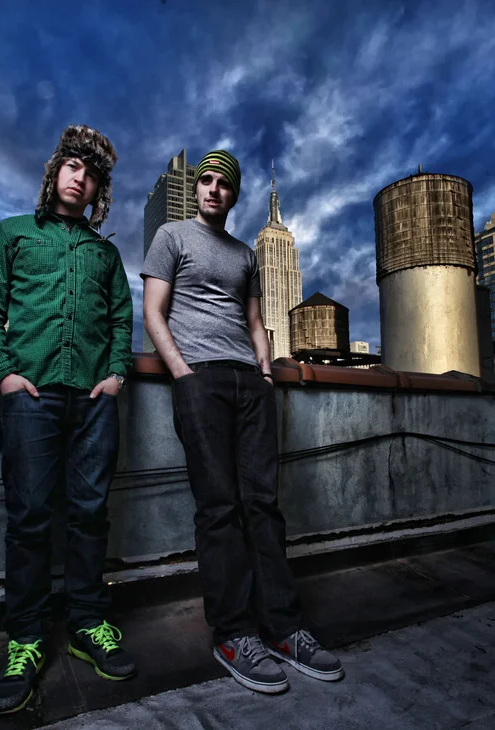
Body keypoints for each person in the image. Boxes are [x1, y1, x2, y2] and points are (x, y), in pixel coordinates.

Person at [141, 150, 343, 694]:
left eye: (222, 184)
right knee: (219, 508)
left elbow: (255, 322)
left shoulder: (246, 254)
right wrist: (183, 374)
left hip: (250, 384)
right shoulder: (172, 237)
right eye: (205, 180)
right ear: (197, 189)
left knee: (262, 506)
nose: (212, 189)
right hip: (200, 380)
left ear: (233, 194)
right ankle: (233, 634)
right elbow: (154, 312)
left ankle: (283, 627)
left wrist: (266, 374)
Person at [0, 125, 135, 715]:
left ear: (98, 192)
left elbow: (122, 320)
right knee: (30, 519)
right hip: (31, 399)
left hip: (93, 403)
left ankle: (88, 623)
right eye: (72, 167)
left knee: (89, 514)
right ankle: (27, 639)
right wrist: (5, 374)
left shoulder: (105, 254)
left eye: (91, 175)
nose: (79, 178)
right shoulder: (13, 233)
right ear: (55, 172)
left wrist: (115, 376)